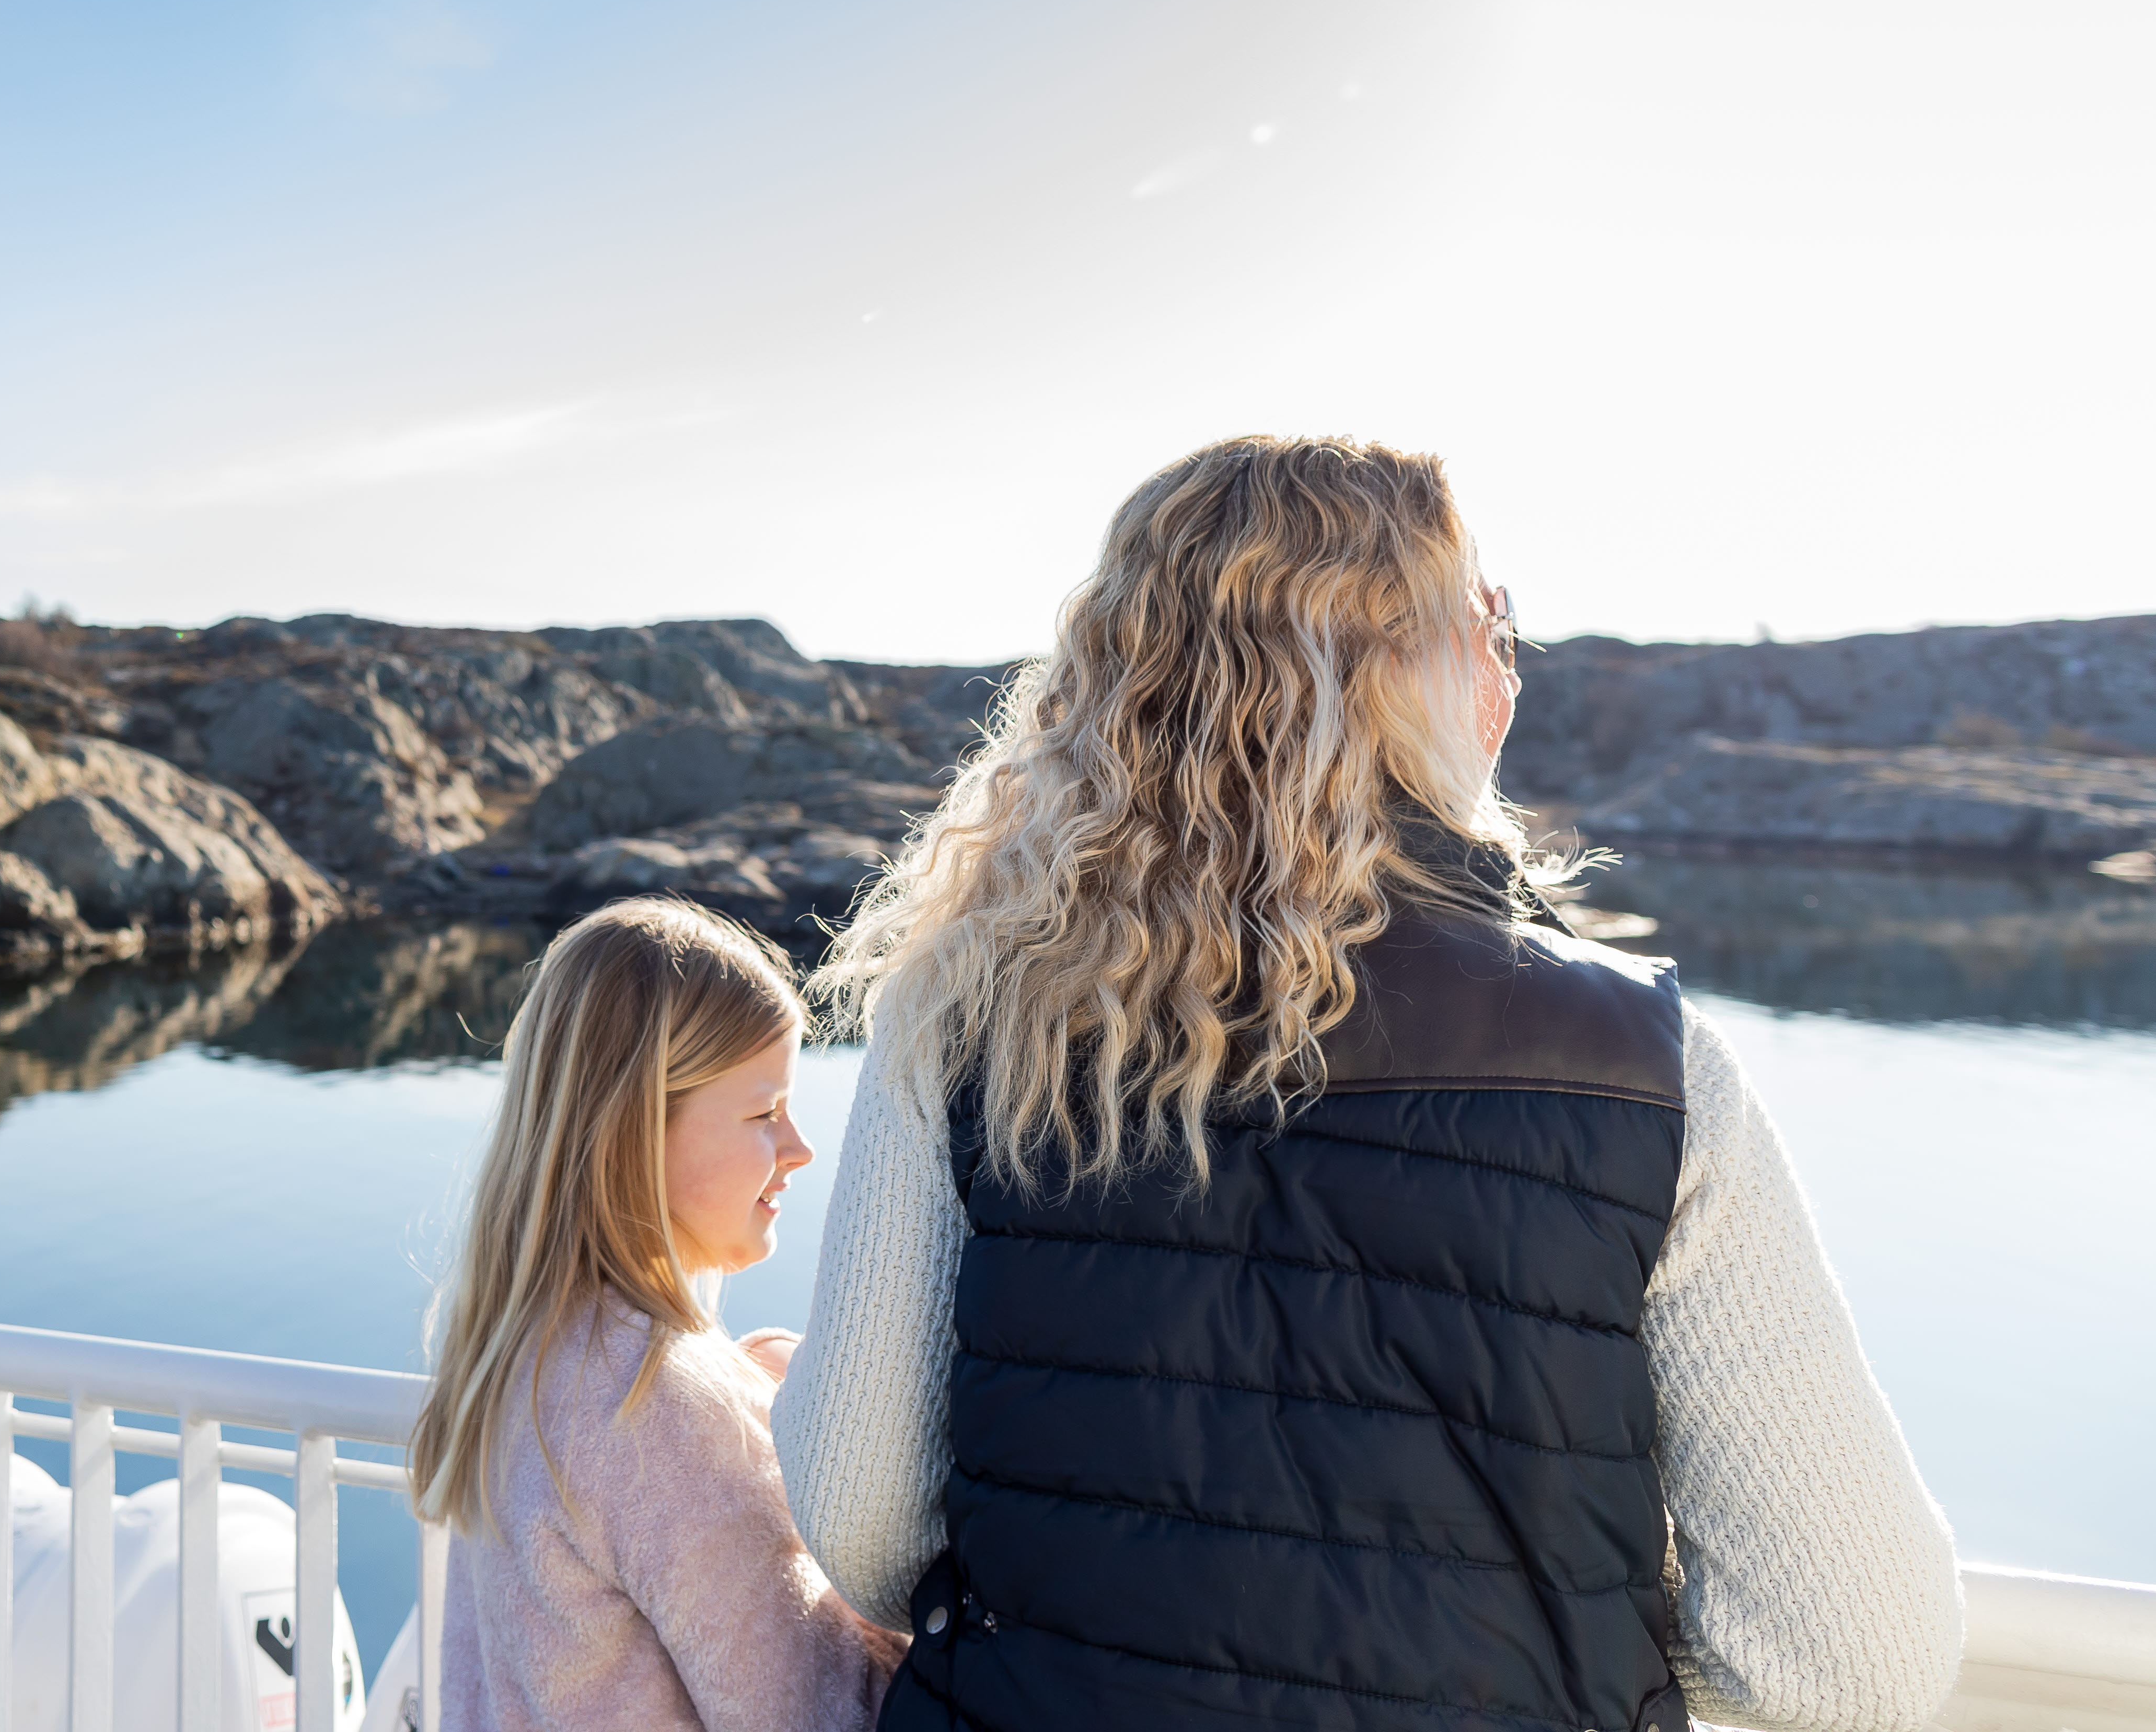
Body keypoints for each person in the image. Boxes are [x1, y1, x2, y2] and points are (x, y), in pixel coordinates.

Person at [773, 434, 1964, 1732]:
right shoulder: (1638, 1063)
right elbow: (1853, 1662)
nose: (1507, 660)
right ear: (1406, 677)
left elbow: (863, 1524)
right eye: (1484, 618)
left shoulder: (964, 1022)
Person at [413, 896, 906, 1732]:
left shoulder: (525, 1357)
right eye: (763, 1113)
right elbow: (825, 1716)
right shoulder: (660, 1404)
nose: (799, 1147)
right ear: (636, 1131)